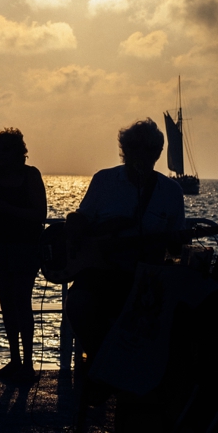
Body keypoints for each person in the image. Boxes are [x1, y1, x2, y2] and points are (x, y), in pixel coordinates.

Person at [64, 118, 185, 424]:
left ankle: (109, 377)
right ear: (124, 149)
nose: (142, 153)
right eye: (135, 147)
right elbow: (81, 221)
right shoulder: (104, 181)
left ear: (158, 153)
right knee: (78, 304)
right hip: (103, 273)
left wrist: (174, 245)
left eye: (150, 148)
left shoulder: (171, 192)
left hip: (145, 281)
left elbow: (176, 250)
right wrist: (74, 228)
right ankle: (109, 368)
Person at [0, 128, 47, 384]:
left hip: (26, 245)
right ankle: (15, 360)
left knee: (22, 301)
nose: (2, 155)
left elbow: (39, 214)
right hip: (0, 244)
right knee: (7, 303)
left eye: (7, 149)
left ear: (19, 152)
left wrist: (6, 208)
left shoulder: (31, 175)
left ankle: (28, 363)